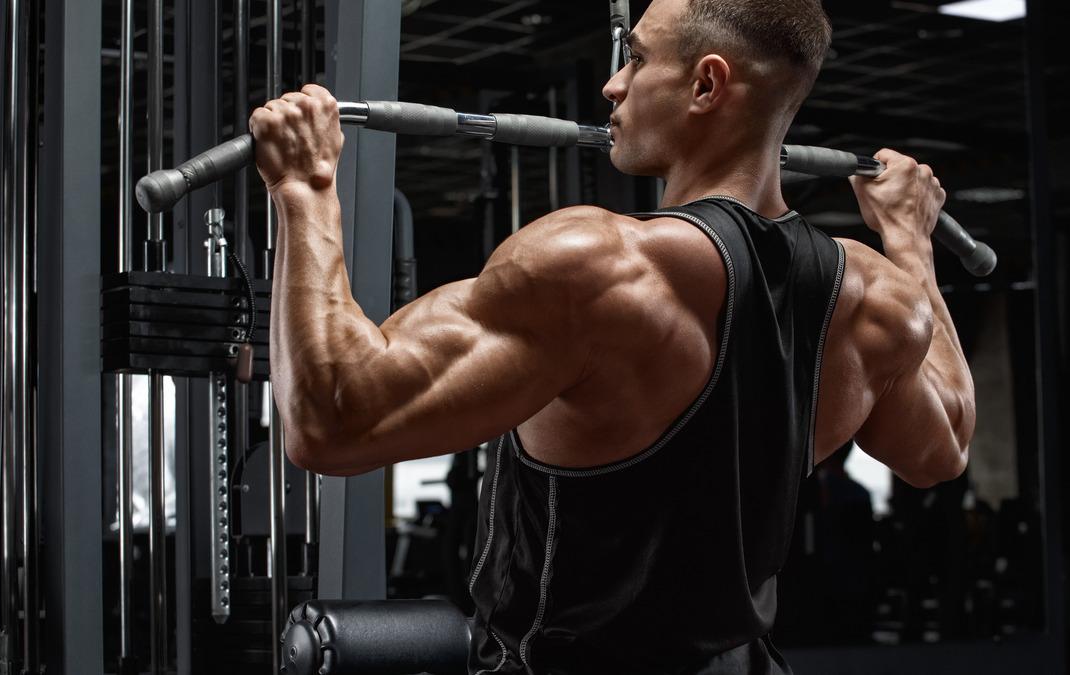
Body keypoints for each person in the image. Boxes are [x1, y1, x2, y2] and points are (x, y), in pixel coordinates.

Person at [249, 0, 976, 671]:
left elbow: (333, 420)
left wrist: (305, 188)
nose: (612, 85)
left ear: (706, 85)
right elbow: (942, 448)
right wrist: (911, 241)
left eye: (637, 58)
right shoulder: (877, 298)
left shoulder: (598, 268)